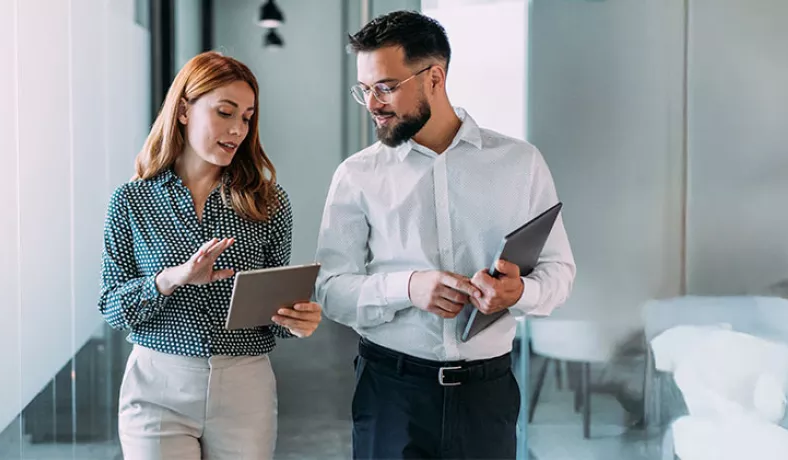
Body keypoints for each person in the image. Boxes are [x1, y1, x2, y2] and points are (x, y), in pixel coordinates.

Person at [314, 11, 576, 459]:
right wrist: (409, 288)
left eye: (386, 87)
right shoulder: (357, 175)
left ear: (434, 77)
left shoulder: (520, 163)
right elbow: (330, 291)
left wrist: (518, 293)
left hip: (487, 395)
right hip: (391, 394)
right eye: (365, 90)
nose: (373, 103)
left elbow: (560, 273)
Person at [98, 51, 323, 460]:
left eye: (247, 117)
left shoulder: (269, 203)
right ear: (184, 110)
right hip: (157, 384)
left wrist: (297, 321)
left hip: (244, 386)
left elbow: (274, 316)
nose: (238, 129)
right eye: (225, 112)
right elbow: (113, 308)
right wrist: (171, 278)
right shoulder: (131, 201)